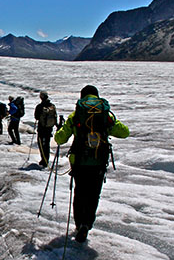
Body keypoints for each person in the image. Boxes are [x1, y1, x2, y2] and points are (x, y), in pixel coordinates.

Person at [54, 85, 129, 243]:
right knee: (94, 194)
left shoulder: (76, 115)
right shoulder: (104, 114)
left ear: (82, 97)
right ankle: (87, 224)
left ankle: (78, 224)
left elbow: (60, 139)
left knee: (80, 192)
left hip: (80, 161)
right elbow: (124, 132)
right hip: (99, 161)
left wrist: (61, 131)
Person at [34, 91, 57, 167]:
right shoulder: (52, 106)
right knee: (47, 144)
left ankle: (43, 160)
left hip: (41, 128)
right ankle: (46, 159)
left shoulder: (40, 106)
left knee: (41, 144)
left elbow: (36, 117)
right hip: (49, 128)